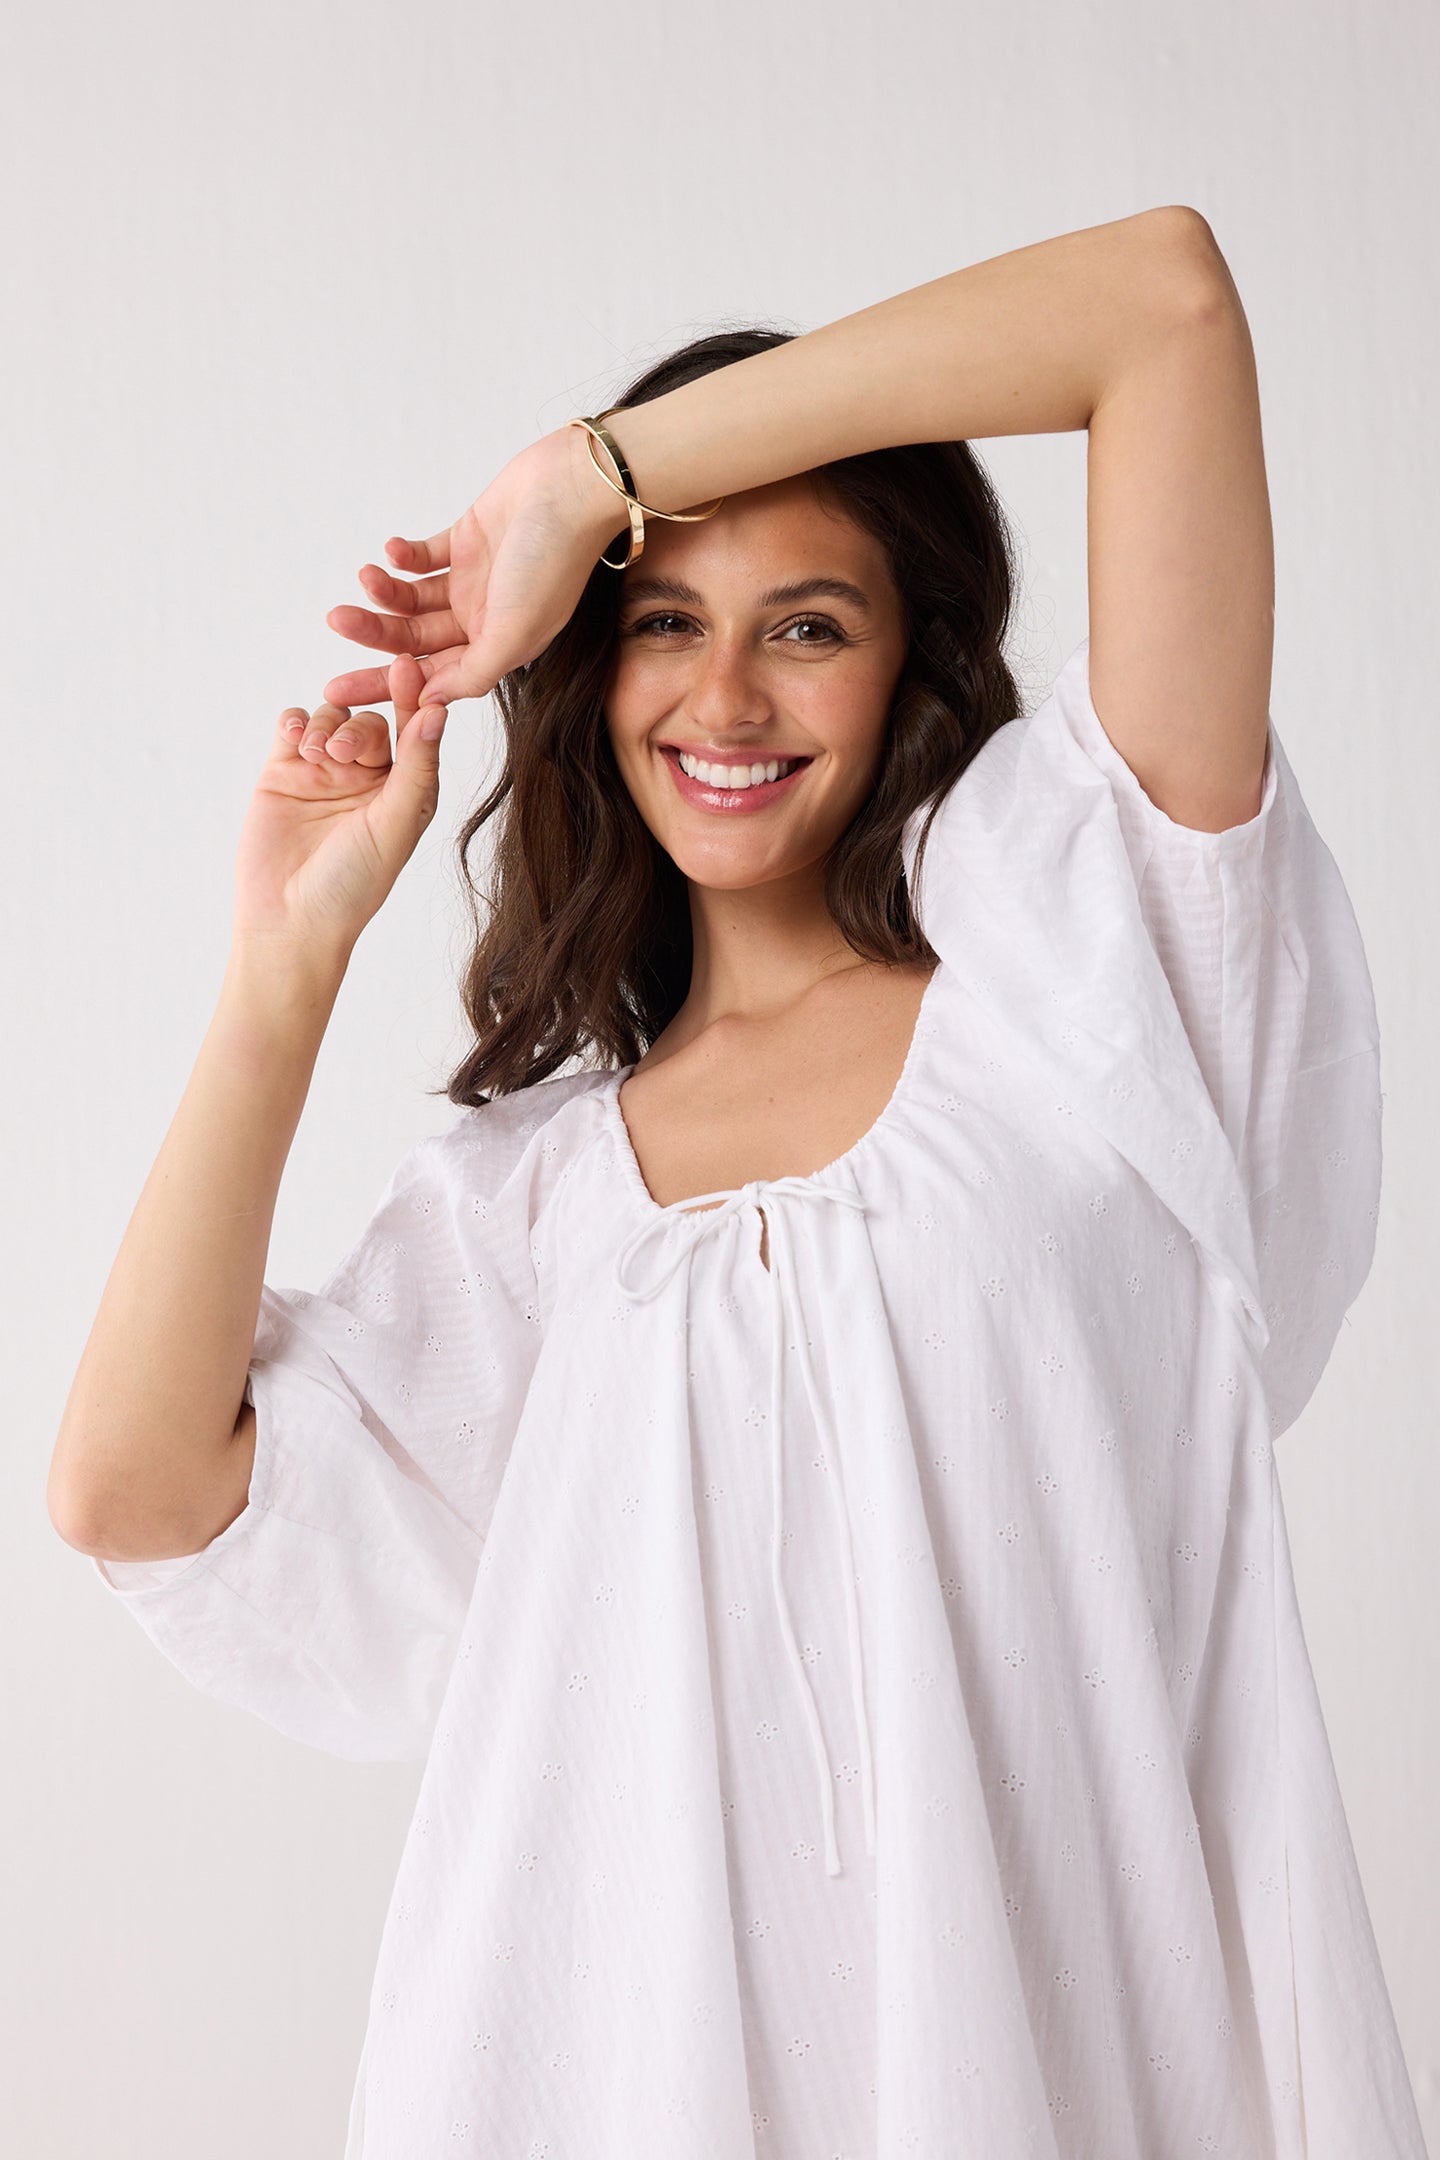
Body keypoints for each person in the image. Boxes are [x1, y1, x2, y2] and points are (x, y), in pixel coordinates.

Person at [49, 207, 1427, 2157]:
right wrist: (287, 961)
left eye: (810, 622)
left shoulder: (1097, 982)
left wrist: (593, 481)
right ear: (594, 684)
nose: (728, 698)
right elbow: (134, 1491)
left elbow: (1169, 305)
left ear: (910, 666)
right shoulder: (534, 1210)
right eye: (663, 622)